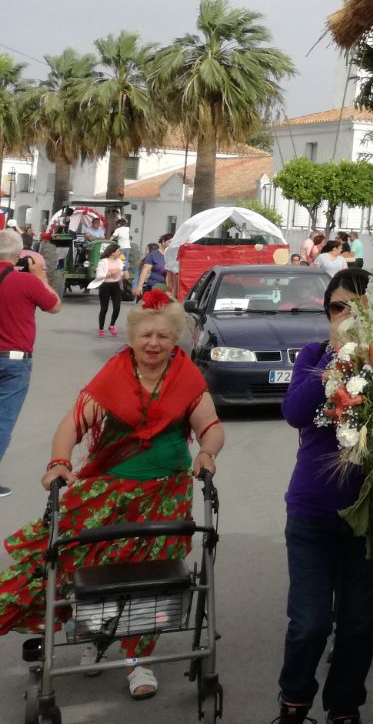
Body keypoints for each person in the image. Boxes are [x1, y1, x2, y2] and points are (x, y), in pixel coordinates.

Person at [0, 290, 222, 700]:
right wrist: (59, 462)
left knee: (151, 575)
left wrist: (207, 452)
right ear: (132, 337)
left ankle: (139, 662)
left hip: (166, 493)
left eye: (163, 336)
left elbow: (210, 425)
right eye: (146, 335)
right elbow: (73, 423)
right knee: (85, 563)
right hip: (109, 491)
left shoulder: (187, 377)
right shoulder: (115, 373)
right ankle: (94, 637)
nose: (153, 343)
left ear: (176, 339)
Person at [273, 267, 373, 724]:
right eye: (337, 308)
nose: (345, 317)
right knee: (310, 623)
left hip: (369, 515)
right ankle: (294, 702)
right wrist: (335, 365)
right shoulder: (313, 355)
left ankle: (344, 708)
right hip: (313, 513)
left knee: (359, 625)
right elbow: (294, 412)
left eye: (357, 308)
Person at [0, 230, 61, 497]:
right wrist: (41, 276)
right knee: (2, 421)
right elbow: (55, 305)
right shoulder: (27, 282)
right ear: (19, 254)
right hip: (14, 363)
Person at [93, 242, 126, 339]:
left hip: (116, 285)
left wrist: (122, 274)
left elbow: (120, 273)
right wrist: (110, 273)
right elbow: (99, 275)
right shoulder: (103, 262)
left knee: (117, 307)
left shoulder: (120, 261)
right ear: (112, 252)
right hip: (105, 285)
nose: (120, 253)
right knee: (104, 308)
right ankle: (101, 329)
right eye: (118, 251)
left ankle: (112, 325)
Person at [131, 235, 170, 299]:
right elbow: (139, 274)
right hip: (148, 285)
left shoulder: (170, 257)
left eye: (146, 250)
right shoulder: (148, 259)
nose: (145, 252)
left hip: (163, 287)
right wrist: (137, 286)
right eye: (169, 242)